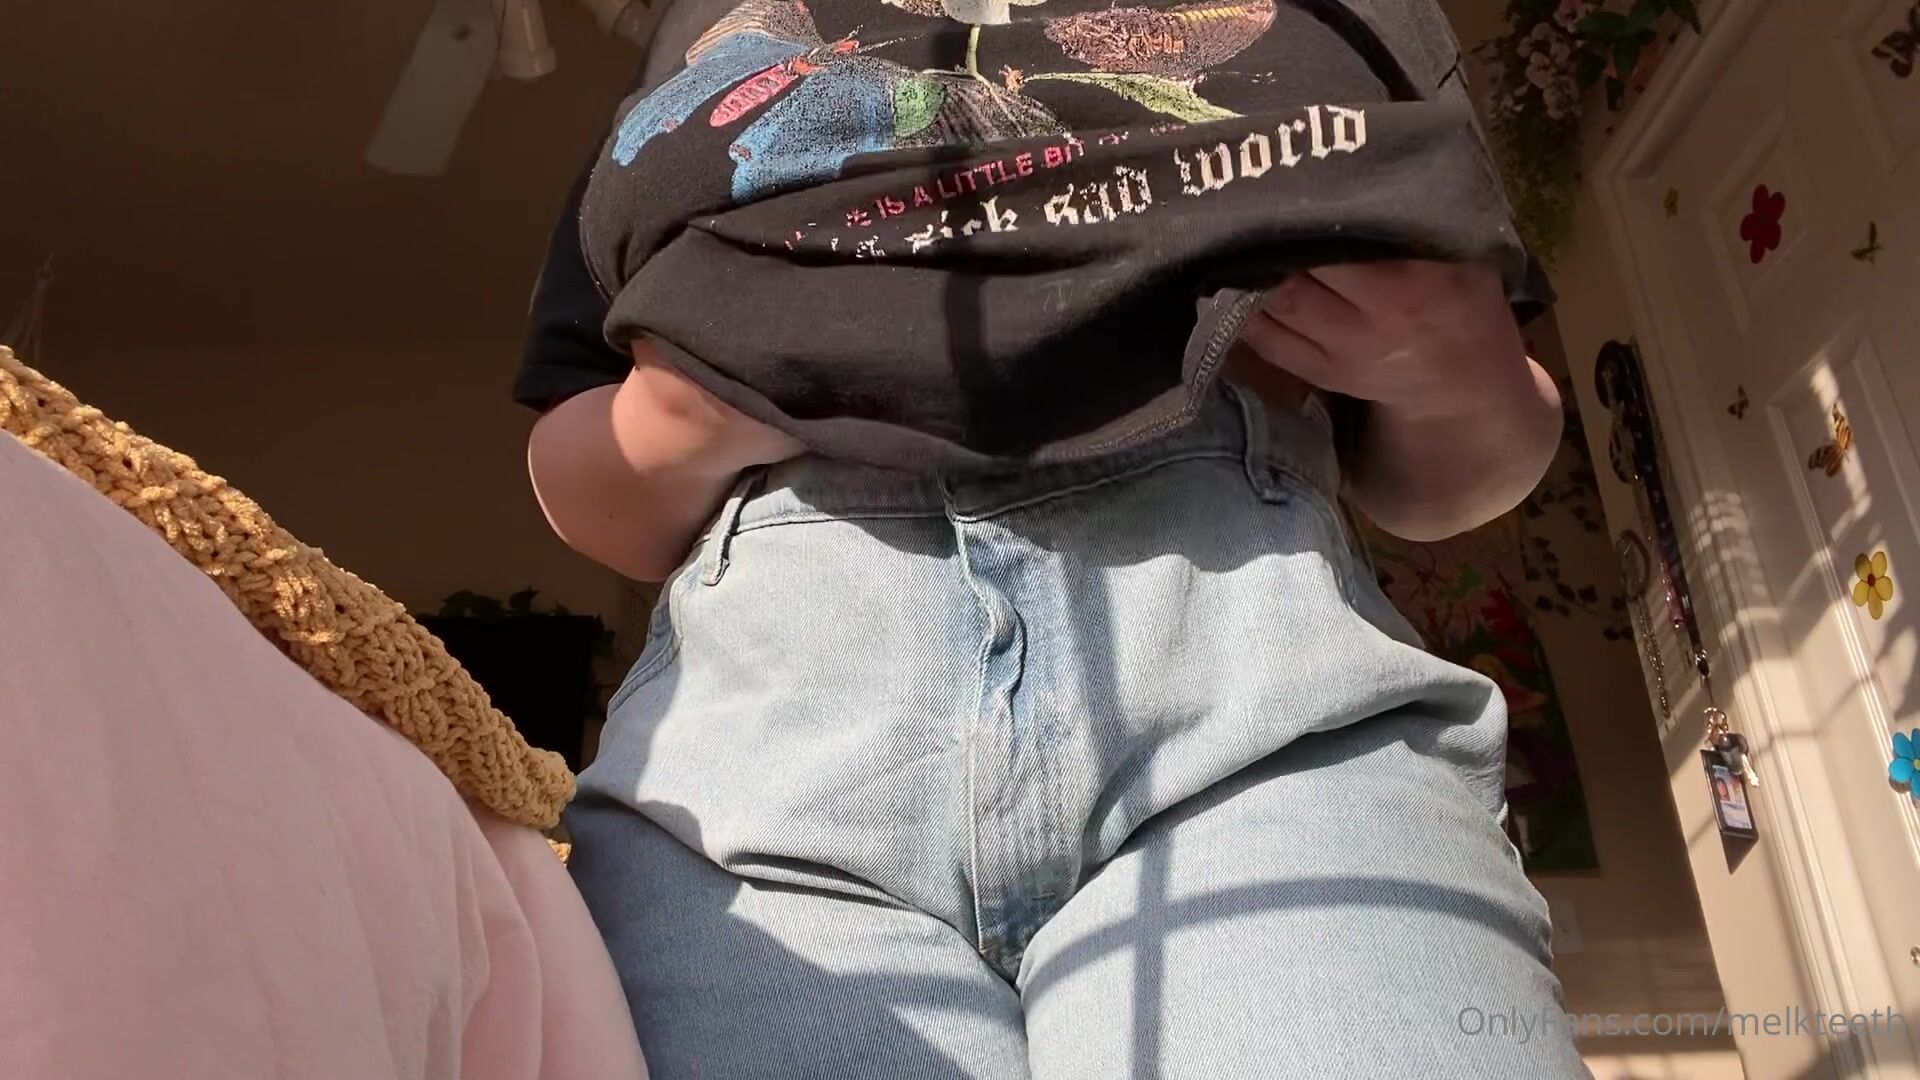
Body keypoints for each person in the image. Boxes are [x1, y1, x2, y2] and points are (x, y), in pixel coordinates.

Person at [518, 0, 1589, 1075]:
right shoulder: (707, 37)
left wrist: (1457, 372)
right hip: (758, 771)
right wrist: (685, 418)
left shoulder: (1353, 13)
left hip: (1260, 710)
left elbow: (1465, 470)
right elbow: (590, 487)